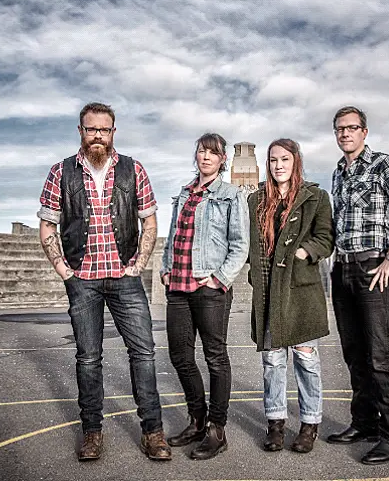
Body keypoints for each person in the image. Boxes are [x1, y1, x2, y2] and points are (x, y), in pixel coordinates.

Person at [37, 102, 171, 462]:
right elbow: (47, 225)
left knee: (143, 353)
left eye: (104, 129)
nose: (97, 135)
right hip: (83, 279)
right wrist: (65, 272)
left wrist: (138, 265)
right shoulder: (60, 172)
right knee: (88, 358)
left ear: (113, 132)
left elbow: (149, 221)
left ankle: (153, 432)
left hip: (125, 278)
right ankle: (92, 433)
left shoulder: (133, 169)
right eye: (91, 129)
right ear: (80, 131)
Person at [327, 106, 389, 465]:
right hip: (343, 270)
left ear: (364, 132)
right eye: (340, 129)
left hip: (374, 268)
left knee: (381, 355)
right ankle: (364, 423)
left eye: (352, 128)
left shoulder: (384, 163)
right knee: (355, 354)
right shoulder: (338, 173)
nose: (345, 133)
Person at [160, 133, 250, 460]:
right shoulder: (184, 194)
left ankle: (217, 429)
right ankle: (197, 421)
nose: (206, 157)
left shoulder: (231, 195)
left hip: (209, 289)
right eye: (202, 151)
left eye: (213, 153)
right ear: (196, 155)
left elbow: (240, 244)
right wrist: (165, 269)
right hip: (178, 288)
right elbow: (173, 237)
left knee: (215, 357)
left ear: (222, 159)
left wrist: (219, 279)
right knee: (180, 357)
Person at [247, 139, 334, 454]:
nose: (278, 165)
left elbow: (325, 239)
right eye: (273, 160)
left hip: (301, 291)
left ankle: (309, 424)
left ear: (295, 161)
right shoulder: (256, 200)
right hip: (268, 291)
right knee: (272, 360)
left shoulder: (316, 197)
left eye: (284, 159)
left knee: (306, 359)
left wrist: (302, 252)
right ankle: (275, 424)